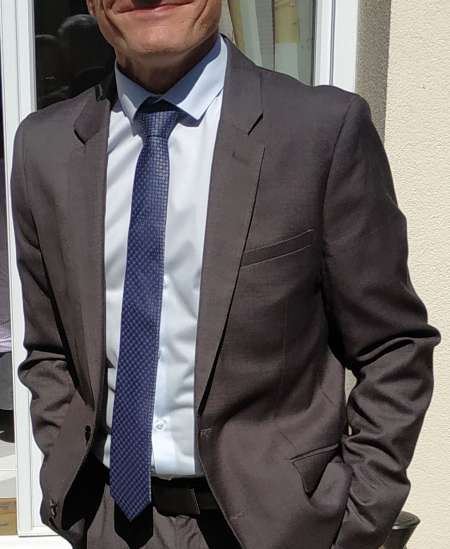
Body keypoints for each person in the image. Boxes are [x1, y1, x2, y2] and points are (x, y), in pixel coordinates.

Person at [9, 1, 440, 548]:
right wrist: (72, 495)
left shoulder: (320, 132)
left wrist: (354, 519)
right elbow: (50, 350)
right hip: (110, 524)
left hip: (278, 529)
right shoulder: (45, 148)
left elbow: (393, 347)